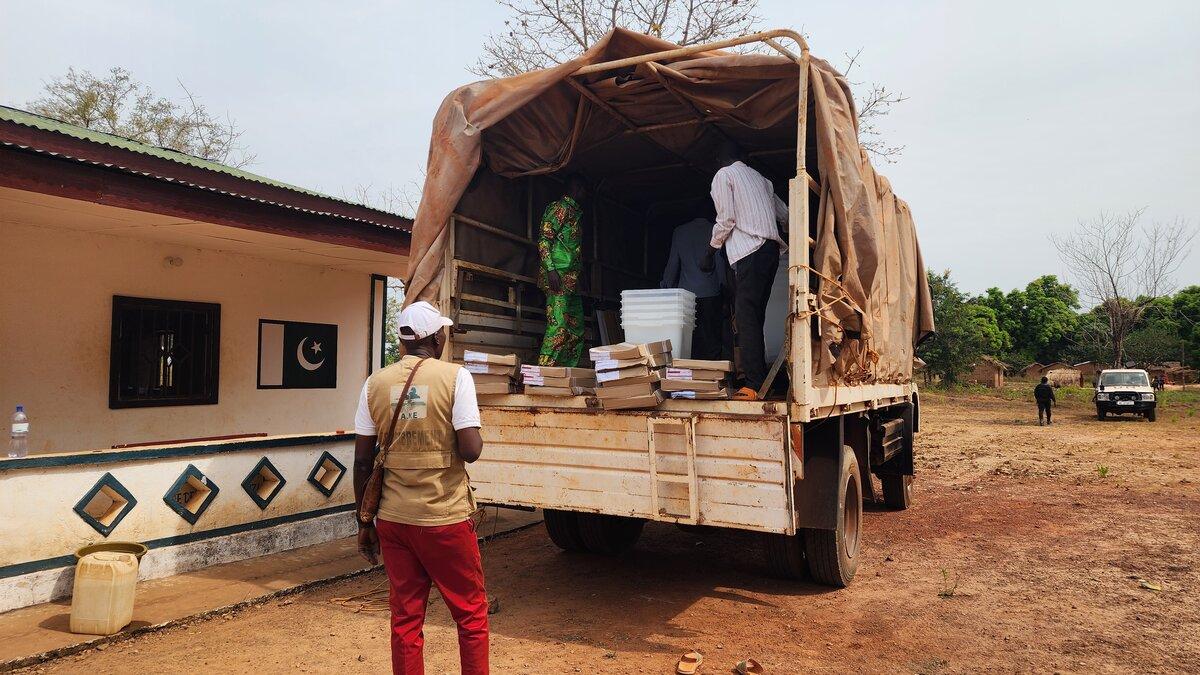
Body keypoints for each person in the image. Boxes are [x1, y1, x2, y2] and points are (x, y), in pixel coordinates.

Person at [353, 300, 488, 675]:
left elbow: (363, 462)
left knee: (406, 620)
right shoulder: (455, 377)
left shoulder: (373, 384)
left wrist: (365, 524)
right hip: (444, 517)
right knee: (471, 616)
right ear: (438, 336)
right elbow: (471, 450)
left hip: (394, 521)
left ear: (402, 343)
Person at [702, 141, 788, 400]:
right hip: (770, 251)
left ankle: (752, 384)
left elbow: (726, 219)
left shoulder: (724, 175)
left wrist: (709, 253)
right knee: (754, 316)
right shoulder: (763, 181)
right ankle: (760, 382)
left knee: (745, 316)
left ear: (721, 157)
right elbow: (784, 214)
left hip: (750, 250)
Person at [660, 210, 727, 360]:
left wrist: (666, 289)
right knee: (712, 338)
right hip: (711, 292)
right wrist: (725, 288)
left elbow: (673, 265)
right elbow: (720, 264)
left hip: (687, 297)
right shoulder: (715, 229)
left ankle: (692, 374)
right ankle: (713, 374)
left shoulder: (680, 232)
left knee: (690, 339)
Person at [537, 174, 587, 367]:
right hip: (557, 277)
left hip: (571, 280)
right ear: (576, 188)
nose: (586, 194)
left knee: (576, 328)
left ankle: (565, 372)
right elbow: (544, 240)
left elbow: (572, 249)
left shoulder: (575, 213)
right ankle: (542, 373)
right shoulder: (560, 208)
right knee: (557, 326)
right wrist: (551, 270)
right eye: (584, 190)